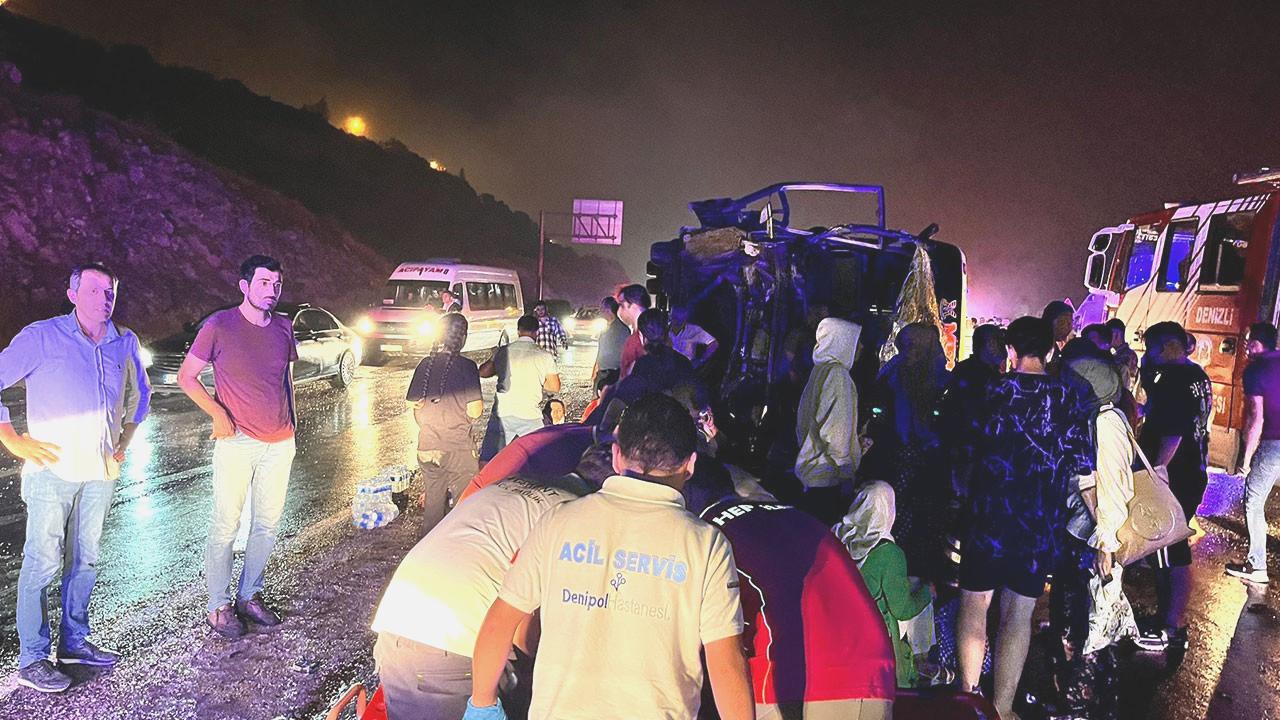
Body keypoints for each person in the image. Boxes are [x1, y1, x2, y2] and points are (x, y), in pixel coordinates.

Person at [464, 394, 752, 719]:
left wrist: (482, 704)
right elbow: (727, 663)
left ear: (616, 456)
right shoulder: (707, 546)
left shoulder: (559, 522)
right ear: (691, 464)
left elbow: (500, 622)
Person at [0, 262, 150, 692]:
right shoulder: (42, 337)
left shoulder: (124, 341)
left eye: (110, 291)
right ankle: (32, 658)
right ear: (72, 295)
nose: (105, 299)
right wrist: (11, 439)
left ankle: (74, 644)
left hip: (100, 472)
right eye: (94, 290)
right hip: (53, 472)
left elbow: (141, 395)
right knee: (43, 562)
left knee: (85, 560)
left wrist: (124, 440)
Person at [957, 316, 1095, 719]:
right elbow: (1083, 467)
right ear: (1050, 350)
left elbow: (963, 452)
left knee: (975, 605)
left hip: (987, 518)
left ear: (1010, 350)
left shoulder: (991, 390)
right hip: (1038, 522)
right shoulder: (1067, 398)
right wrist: (1102, 525)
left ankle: (967, 700)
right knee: (1019, 614)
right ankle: (1001, 708)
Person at [372, 474, 592, 719]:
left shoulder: (505, 485)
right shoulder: (573, 518)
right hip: (454, 649)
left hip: (394, 629)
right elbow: (522, 634)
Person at [694, 474, 896, 718]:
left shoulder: (705, 532)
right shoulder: (801, 519)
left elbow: (718, 642)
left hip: (790, 676)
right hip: (872, 673)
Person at [179, 254, 299, 638]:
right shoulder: (219, 325)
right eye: (263, 283)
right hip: (237, 441)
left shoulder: (283, 326)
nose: (271, 290)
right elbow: (187, 377)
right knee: (226, 525)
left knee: (266, 525)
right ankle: (218, 607)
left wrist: (293, 427)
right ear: (244, 286)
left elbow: (286, 379)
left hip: (280, 443)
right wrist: (217, 413)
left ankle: (249, 595)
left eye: (276, 284)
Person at [1050, 347, 1136, 719]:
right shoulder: (1089, 418)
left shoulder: (1106, 423)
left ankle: (1083, 703)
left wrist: (1107, 542)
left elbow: (1114, 486)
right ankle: (1079, 698)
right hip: (1080, 533)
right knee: (1077, 617)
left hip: (1094, 536)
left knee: (1090, 622)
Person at [1133, 321, 1212, 654]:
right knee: (1170, 548)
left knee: (1170, 549)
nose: (1148, 354)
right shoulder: (1196, 375)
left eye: (1151, 348)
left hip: (1174, 476)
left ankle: (1171, 626)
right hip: (1192, 471)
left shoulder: (1175, 381)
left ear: (1167, 346)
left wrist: (1156, 473)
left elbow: (1173, 433)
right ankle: (1168, 620)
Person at [865, 322, 950, 577]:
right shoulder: (896, 375)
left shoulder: (935, 379)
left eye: (915, 346)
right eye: (907, 346)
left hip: (920, 460)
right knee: (898, 513)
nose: (910, 351)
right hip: (900, 457)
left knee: (915, 516)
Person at [835, 481, 933, 689]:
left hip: (841, 620)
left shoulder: (837, 535)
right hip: (874, 629)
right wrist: (927, 593)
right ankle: (921, 661)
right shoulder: (889, 553)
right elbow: (902, 610)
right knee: (921, 590)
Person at [407, 313, 482, 531]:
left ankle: (428, 545)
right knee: (463, 507)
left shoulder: (425, 364)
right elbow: (475, 411)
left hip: (427, 447)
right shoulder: (467, 367)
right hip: (457, 448)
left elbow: (412, 403)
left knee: (433, 506)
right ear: (463, 337)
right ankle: (455, 546)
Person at [794, 318, 863, 524]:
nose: (860, 347)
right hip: (826, 477)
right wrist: (845, 469)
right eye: (855, 340)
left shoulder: (820, 371)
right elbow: (834, 430)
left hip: (810, 474)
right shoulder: (837, 375)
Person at [1226, 322, 1280, 584]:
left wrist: (1246, 461)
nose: (1246, 346)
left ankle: (1257, 565)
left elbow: (1257, 418)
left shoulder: (1255, 370)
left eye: (1249, 341)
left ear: (1257, 343)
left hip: (1273, 444)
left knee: (1254, 501)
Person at [939, 324, 1006, 500]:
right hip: (969, 446)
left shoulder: (972, 370)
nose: (1003, 347)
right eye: (998, 341)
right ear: (988, 344)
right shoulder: (973, 373)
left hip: (972, 446)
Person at [479, 315, 560, 459]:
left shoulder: (503, 351)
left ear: (518, 331)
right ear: (536, 332)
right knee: (537, 458)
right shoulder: (544, 355)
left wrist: (494, 356)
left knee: (489, 458)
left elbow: (483, 372)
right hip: (529, 415)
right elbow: (554, 387)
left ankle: (486, 474)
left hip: (502, 412)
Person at [616, 284, 652, 379]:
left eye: (621, 305)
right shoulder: (639, 332)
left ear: (633, 305)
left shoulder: (645, 334)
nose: (618, 310)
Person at [592, 296, 628, 387]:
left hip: (612, 373)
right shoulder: (608, 327)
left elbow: (624, 353)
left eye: (602, 308)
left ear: (608, 310)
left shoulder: (620, 329)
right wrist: (596, 367)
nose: (600, 311)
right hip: (604, 371)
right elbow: (602, 350)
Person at [668, 305, 719, 369]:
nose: (678, 322)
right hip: (667, 367)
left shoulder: (694, 330)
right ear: (670, 316)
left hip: (686, 368)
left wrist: (701, 360)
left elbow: (714, 343)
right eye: (675, 318)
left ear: (685, 319)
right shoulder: (663, 329)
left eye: (681, 319)